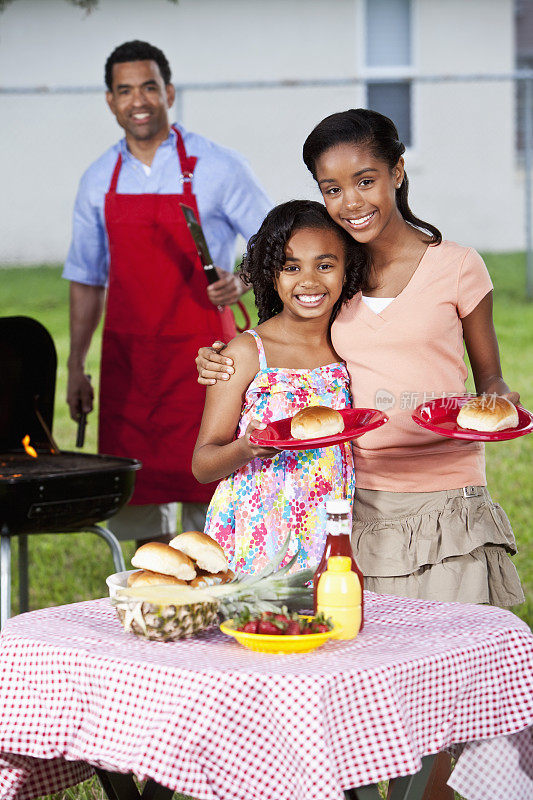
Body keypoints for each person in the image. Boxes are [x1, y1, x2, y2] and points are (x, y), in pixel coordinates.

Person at [196, 108, 525, 800]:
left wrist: (498, 403)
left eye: (366, 180)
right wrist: (221, 364)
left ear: (398, 173)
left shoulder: (455, 268)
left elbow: (486, 377)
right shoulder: (335, 278)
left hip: (445, 512)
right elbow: (281, 335)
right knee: (364, 709)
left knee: (452, 709)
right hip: (348, 517)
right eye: (332, 187)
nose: (351, 202)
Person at [63, 40, 271, 545]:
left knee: (215, 496)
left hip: (209, 358)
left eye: (150, 87)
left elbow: (277, 239)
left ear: (169, 92)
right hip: (132, 366)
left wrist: (242, 278)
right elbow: (88, 279)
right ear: (110, 100)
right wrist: (75, 365)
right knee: (142, 505)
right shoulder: (97, 180)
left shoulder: (218, 166)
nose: (139, 100)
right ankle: (158, 605)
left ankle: (222, 604)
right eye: (125, 89)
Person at [192, 200, 364, 573]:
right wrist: (246, 448)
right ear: (271, 274)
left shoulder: (351, 345)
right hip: (257, 536)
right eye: (291, 267)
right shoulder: (246, 354)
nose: (309, 281)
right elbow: (203, 464)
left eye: (325, 265)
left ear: (346, 269)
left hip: (330, 530)